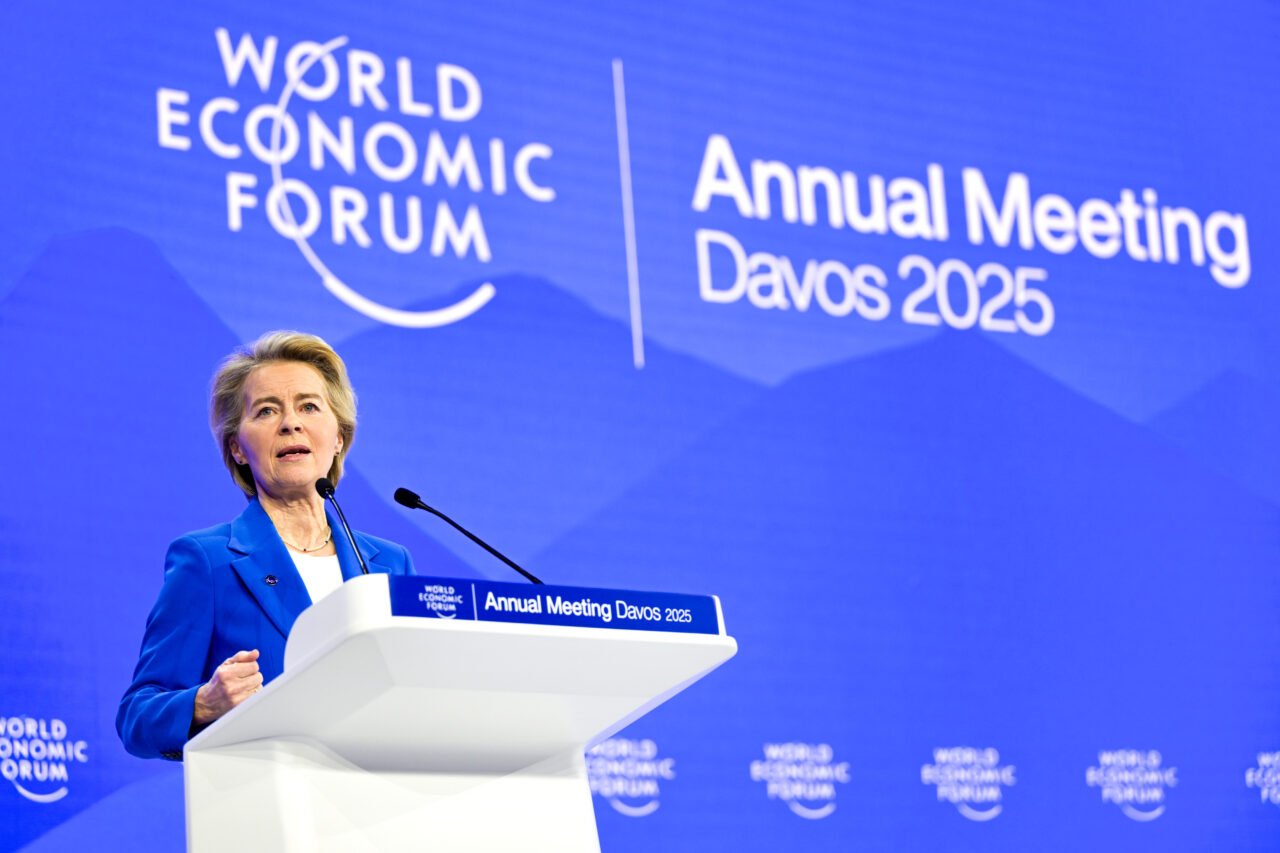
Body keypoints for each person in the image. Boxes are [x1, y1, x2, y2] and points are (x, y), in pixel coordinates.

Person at [117, 331, 415, 760]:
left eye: (309, 407)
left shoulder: (389, 564)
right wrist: (204, 702)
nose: (290, 423)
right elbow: (137, 716)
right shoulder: (208, 560)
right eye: (266, 411)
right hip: (270, 805)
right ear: (237, 448)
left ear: (338, 438)